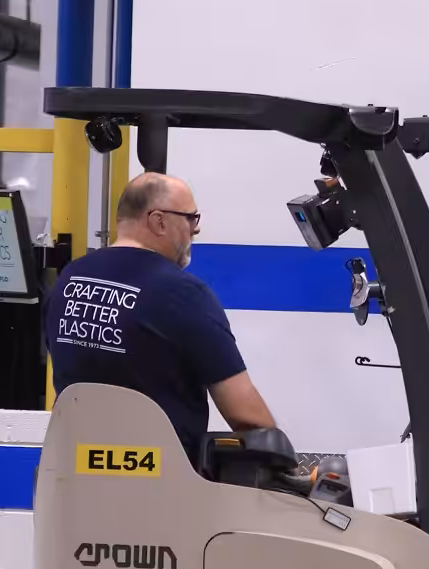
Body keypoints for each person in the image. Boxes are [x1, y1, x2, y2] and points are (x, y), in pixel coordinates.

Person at [45, 171, 277, 460]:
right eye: (191, 218)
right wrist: (288, 470)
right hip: (159, 484)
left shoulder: (69, 280)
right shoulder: (182, 293)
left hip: (76, 473)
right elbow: (246, 415)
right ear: (158, 220)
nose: (196, 229)